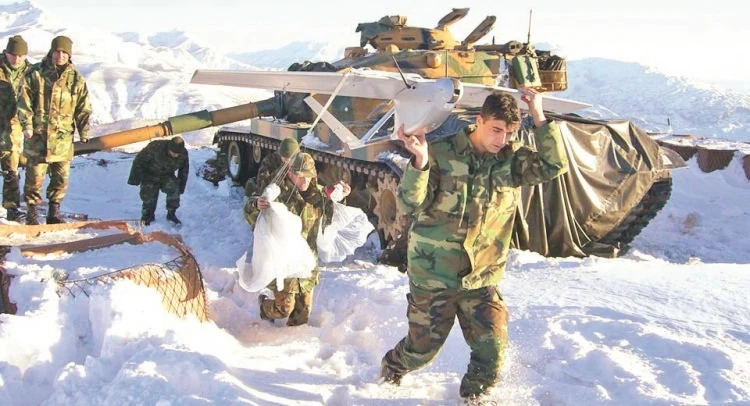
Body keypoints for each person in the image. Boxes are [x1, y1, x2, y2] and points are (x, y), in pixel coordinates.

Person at [380, 88, 570, 400]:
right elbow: (409, 203)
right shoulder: (442, 153)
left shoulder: (511, 160)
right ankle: (393, 366)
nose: (502, 139)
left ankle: (474, 398)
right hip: (434, 274)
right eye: (496, 129)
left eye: (509, 132)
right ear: (479, 121)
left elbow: (554, 165)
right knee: (421, 351)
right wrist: (421, 162)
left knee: (492, 348)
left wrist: (538, 114)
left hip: (480, 277)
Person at [243, 137, 350, 326]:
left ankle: (293, 340)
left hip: (307, 263)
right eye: (301, 176)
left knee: (301, 317)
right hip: (285, 263)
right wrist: (256, 205)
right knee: (283, 309)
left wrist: (339, 196)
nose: (305, 181)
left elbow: (332, 218)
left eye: (309, 176)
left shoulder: (319, 195)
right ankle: (264, 306)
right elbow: (252, 214)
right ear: (290, 173)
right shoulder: (276, 193)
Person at [17, 35, 91, 225]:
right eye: (57, 51)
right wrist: (27, 126)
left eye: (64, 52)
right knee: (34, 179)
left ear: (69, 55)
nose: (60, 56)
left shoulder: (75, 79)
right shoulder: (35, 74)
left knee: (60, 179)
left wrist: (84, 131)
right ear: (51, 52)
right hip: (38, 138)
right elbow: (24, 102)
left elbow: (83, 107)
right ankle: (32, 214)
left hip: (62, 140)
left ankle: (54, 213)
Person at [0, 35, 31, 222]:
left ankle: (12, 208)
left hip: (13, 129)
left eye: (21, 56)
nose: (17, 59)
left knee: (11, 170)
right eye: (13, 55)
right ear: (6, 53)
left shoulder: (31, 73)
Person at [127, 136, 189, 226]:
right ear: (169, 149)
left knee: (175, 189)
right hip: (150, 174)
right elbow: (139, 160)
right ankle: (147, 216)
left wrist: (181, 187)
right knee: (149, 195)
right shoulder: (155, 147)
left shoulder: (183, 153)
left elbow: (184, 170)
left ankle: (171, 214)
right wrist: (134, 179)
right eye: (174, 153)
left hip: (167, 175)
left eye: (178, 154)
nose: (176, 155)